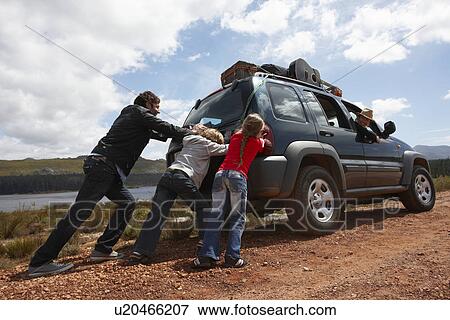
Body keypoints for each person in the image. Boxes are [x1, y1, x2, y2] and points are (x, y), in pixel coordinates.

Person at [28, 91, 193, 278]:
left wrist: (186, 128)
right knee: (81, 211)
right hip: (103, 166)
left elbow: (164, 134)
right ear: (147, 103)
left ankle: (103, 249)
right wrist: (193, 132)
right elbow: (167, 128)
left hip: (108, 169)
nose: (157, 112)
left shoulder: (138, 120)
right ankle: (40, 262)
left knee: (128, 203)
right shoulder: (135, 111)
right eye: (156, 107)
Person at [127, 125, 228, 265]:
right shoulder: (207, 145)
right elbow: (227, 149)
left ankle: (139, 252)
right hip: (183, 178)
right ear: (214, 140)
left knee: (157, 214)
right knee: (203, 208)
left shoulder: (188, 139)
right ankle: (205, 244)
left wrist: (194, 128)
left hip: (167, 176)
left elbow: (186, 131)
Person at [194, 113, 267, 269]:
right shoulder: (257, 142)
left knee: (216, 216)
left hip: (220, 175)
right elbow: (266, 144)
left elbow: (241, 133)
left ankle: (206, 257)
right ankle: (232, 257)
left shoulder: (235, 137)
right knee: (237, 218)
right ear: (258, 131)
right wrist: (262, 133)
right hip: (237, 177)